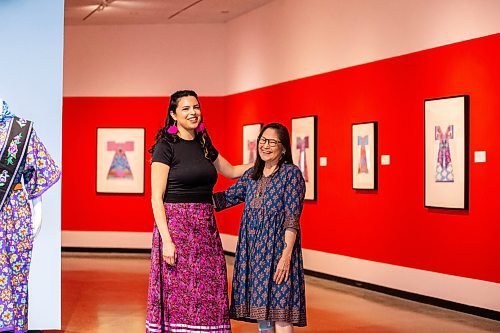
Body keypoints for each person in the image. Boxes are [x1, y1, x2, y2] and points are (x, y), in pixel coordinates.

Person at [146, 90, 249, 333]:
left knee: (209, 288)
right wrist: (167, 241)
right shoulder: (165, 147)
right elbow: (156, 198)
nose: (193, 113)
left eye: (196, 107)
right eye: (186, 108)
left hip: (205, 229)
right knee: (178, 292)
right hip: (177, 228)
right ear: (173, 115)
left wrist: (266, 162)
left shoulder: (204, 143)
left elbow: (232, 170)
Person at [213, 123, 307, 333]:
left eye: (272, 142)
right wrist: (190, 197)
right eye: (262, 140)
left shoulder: (290, 174)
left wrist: (286, 256)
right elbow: (226, 198)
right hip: (253, 253)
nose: (265, 146)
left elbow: (292, 218)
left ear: (283, 148)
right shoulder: (251, 175)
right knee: (261, 312)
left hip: (278, 252)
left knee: (281, 311)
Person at [0, 99, 61, 333]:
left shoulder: (22, 130)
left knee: (15, 275)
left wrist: (37, 214)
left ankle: (13, 326)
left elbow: (37, 175)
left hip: (14, 212)